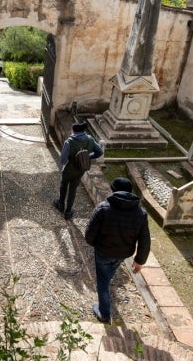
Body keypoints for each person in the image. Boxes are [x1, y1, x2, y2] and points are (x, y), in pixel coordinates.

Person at [84, 177, 150, 324]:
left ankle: (104, 313)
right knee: (108, 274)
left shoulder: (103, 208)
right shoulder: (141, 214)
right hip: (123, 254)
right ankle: (107, 288)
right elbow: (145, 239)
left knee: (102, 281)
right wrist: (139, 260)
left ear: (113, 190)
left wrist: (95, 244)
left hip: (103, 251)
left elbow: (89, 233)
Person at [53, 121, 103, 219]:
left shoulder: (69, 142)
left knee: (63, 185)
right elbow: (99, 152)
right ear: (83, 130)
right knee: (73, 189)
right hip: (80, 169)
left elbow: (62, 161)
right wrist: (89, 156)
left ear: (73, 130)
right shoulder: (90, 139)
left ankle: (61, 204)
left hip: (68, 170)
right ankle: (68, 212)